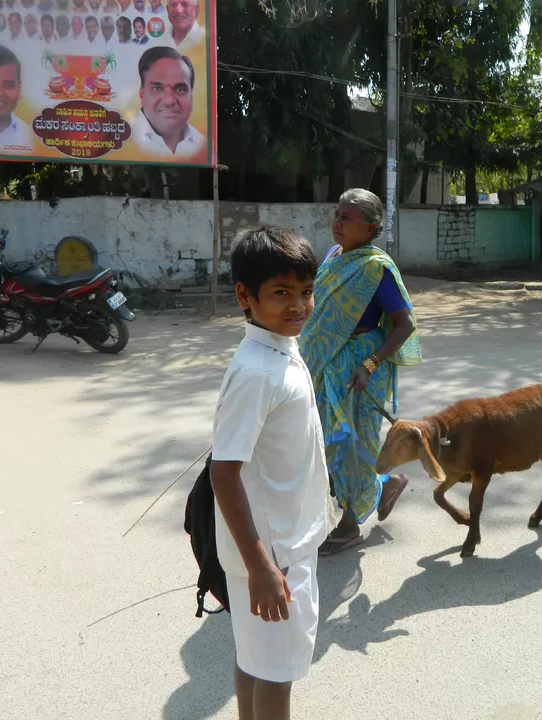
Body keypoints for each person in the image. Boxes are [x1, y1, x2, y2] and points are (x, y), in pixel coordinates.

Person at [211, 225, 331, 720]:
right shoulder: (258, 372)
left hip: (277, 541)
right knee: (276, 675)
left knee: (255, 659)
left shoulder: (279, 348)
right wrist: (262, 566)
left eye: (305, 291)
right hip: (276, 552)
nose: (298, 306)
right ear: (245, 296)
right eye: (281, 293)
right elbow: (224, 473)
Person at [300, 189, 421, 556]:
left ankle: (351, 525)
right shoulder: (334, 256)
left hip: (361, 366)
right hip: (326, 363)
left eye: (347, 218)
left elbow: (405, 325)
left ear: (369, 228)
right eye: (336, 214)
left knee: (354, 444)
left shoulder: (376, 268)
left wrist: (370, 364)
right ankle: (386, 485)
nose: (336, 222)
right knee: (330, 442)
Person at [132, 46, 205, 157]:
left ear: (191, 97)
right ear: (142, 93)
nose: (170, 100)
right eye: (157, 88)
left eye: (180, 89)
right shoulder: (126, 138)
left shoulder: (201, 144)